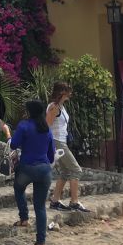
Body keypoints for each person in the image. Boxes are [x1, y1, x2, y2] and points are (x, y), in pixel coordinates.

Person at [10, 99, 56, 245]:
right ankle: (41, 241)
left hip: (27, 168)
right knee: (40, 206)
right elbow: (51, 155)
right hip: (44, 170)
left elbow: (13, 144)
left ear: (29, 111)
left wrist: (7, 133)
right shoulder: (47, 129)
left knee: (18, 188)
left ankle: (23, 217)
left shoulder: (24, 126)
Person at [47, 82, 90, 213]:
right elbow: (46, 125)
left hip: (61, 140)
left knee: (65, 171)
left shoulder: (61, 106)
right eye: (68, 91)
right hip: (57, 141)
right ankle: (74, 202)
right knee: (76, 170)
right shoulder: (54, 107)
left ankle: (55, 201)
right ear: (62, 92)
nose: (70, 94)